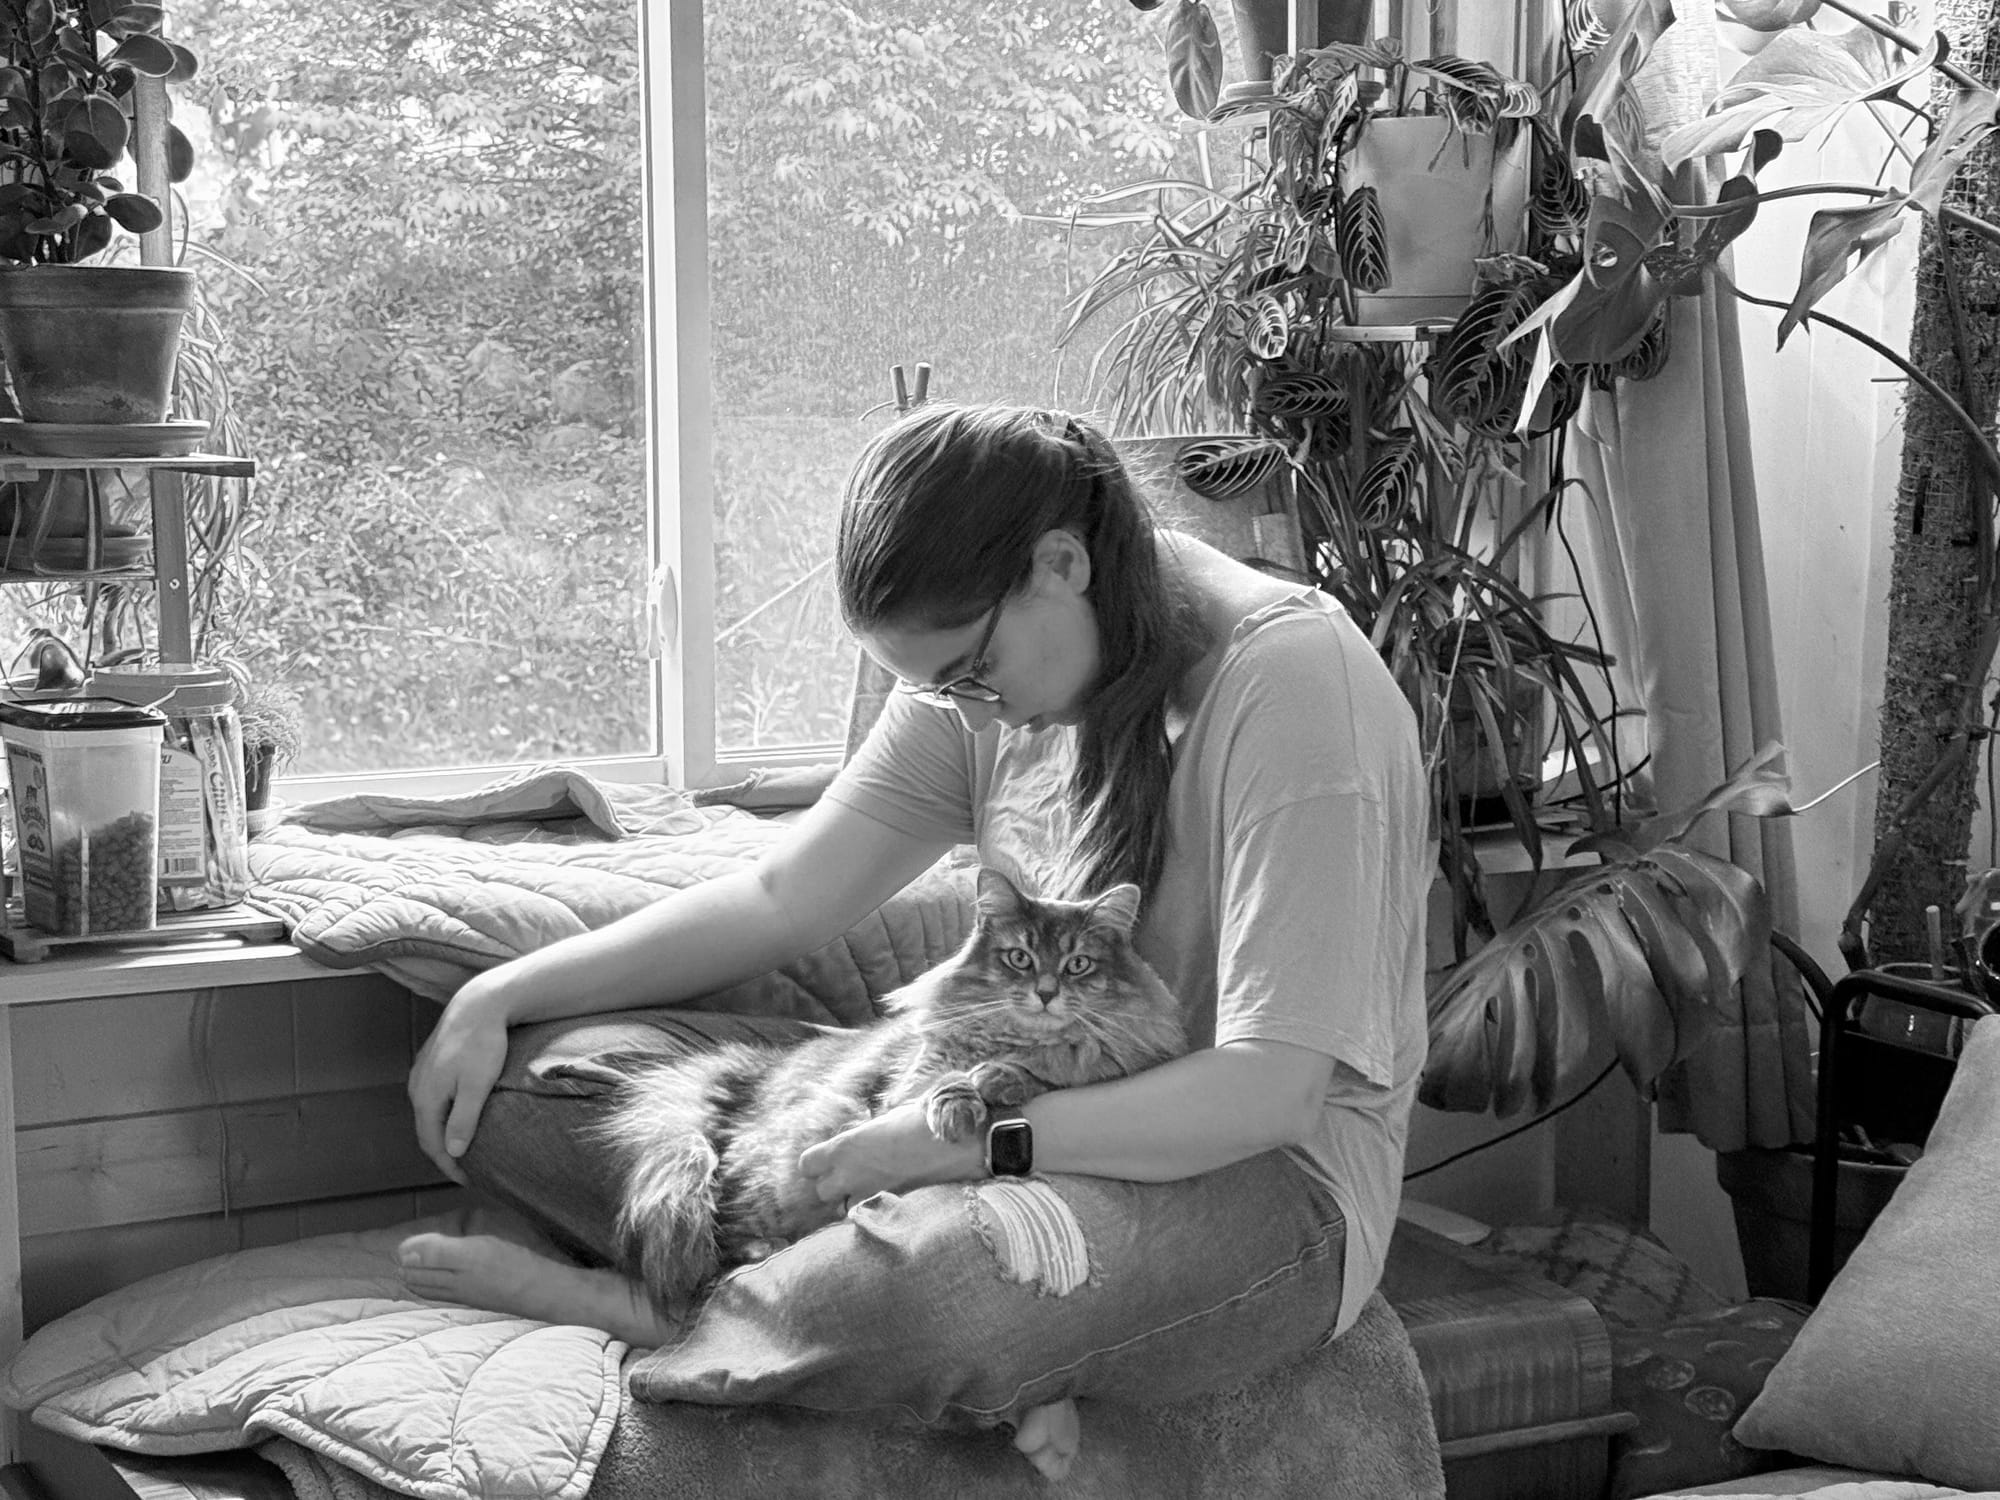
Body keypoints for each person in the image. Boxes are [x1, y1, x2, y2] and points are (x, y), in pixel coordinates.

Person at [398, 403, 1433, 1480]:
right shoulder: (985, 671)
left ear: (1061, 565)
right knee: (518, 1089)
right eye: (940, 690)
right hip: (956, 1099)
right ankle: (857, 1311)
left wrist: (961, 1150)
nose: (971, 715)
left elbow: (1267, 1094)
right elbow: (784, 897)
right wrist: (499, 995)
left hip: (1256, 1181)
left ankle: (668, 1306)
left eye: (972, 676)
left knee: (937, 1295)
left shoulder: (1297, 690)